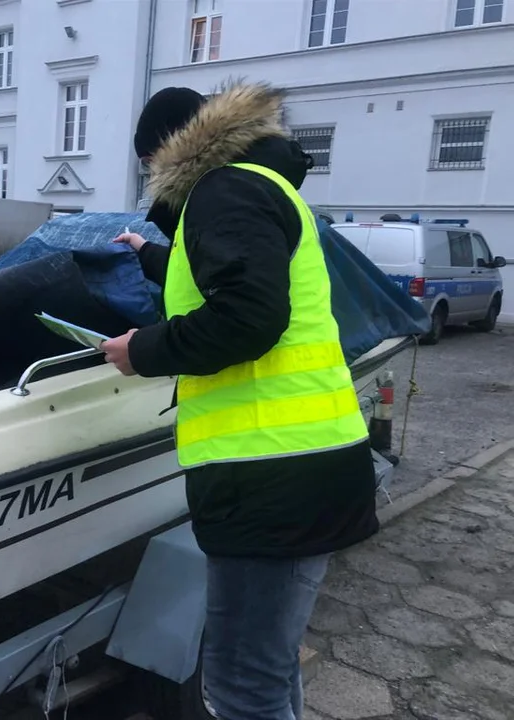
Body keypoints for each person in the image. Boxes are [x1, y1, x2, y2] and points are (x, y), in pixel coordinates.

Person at [99, 82, 379, 720]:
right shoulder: (258, 185)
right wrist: (150, 255)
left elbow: (248, 318)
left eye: (147, 164)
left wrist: (142, 350)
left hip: (269, 482)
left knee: (238, 689)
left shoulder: (221, 192)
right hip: (307, 466)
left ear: (165, 152)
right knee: (270, 671)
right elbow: (224, 274)